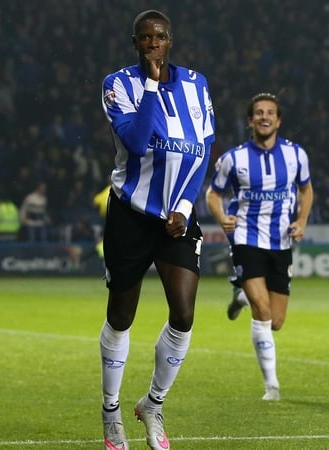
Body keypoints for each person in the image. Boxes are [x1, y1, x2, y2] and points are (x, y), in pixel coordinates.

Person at [98, 9, 214, 450]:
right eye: (144, 38)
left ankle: (153, 404)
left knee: (183, 314)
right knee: (121, 316)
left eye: (159, 37)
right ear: (136, 44)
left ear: (171, 41)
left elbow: (202, 149)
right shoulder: (118, 85)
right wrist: (150, 82)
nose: (152, 43)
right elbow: (137, 140)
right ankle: (111, 411)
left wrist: (185, 204)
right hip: (130, 214)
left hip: (177, 218)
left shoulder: (197, 84)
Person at [205, 92, 313, 401]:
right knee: (263, 312)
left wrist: (302, 221)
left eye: (270, 113)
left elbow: (306, 191)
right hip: (246, 239)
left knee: (276, 321)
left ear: (278, 120)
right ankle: (272, 386)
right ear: (250, 121)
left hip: (280, 242)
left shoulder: (296, 155)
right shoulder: (233, 159)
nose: (264, 117)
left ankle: (240, 295)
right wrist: (222, 217)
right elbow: (213, 194)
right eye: (258, 113)